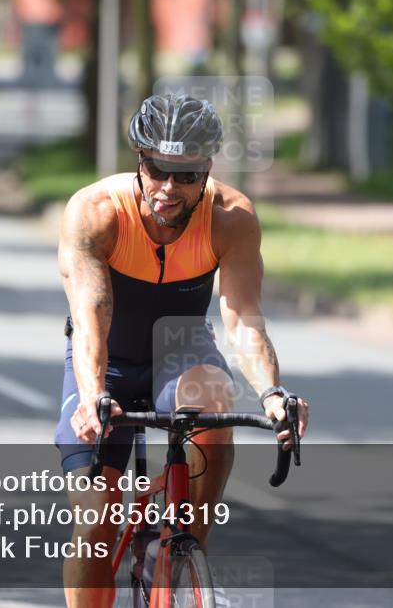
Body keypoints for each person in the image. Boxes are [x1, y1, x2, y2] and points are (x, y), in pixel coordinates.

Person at [54, 93, 310, 607]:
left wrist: (272, 393)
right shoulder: (97, 213)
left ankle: (188, 548)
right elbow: (90, 319)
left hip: (181, 346)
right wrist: (93, 394)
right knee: (96, 521)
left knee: (214, 401)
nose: (169, 188)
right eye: (157, 170)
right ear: (139, 161)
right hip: (109, 359)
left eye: (186, 175)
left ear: (207, 170)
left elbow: (243, 318)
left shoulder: (231, 218)